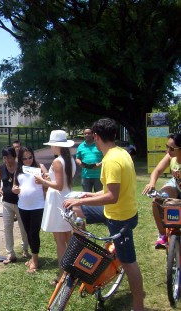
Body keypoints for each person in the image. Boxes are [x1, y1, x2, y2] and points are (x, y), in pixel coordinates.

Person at [63, 118, 144, 311]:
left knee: (129, 263)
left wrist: (80, 200)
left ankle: (139, 307)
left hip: (120, 217)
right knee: (76, 209)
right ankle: (85, 247)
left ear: (97, 136)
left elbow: (112, 196)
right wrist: (89, 195)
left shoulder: (111, 161)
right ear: (114, 135)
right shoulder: (121, 153)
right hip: (120, 212)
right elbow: (110, 190)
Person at [34, 130, 76, 285]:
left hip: (58, 202)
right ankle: (73, 270)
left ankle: (63, 274)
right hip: (66, 199)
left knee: (60, 241)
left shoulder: (58, 161)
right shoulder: (69, 159)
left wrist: (42, 180)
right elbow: (62, 182)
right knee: (68, 237)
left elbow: (58, 185)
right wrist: (48, 177)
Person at [0, 146, 30, 264]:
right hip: (7, 202)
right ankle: (10, 254)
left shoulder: (21, 167)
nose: (7, 160)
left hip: (21, 203)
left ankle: (25, 249)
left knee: (23, 228)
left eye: (9, 157)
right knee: (7, 228)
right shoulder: (2, 168)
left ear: (14, 156)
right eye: (4, 158)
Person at [142, 133, 181, 249]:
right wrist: (152, 183)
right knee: (157, 200)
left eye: (171, 148)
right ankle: (163, 234)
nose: (167, 150)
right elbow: (157, 170)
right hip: (176, 185)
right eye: (167, 146)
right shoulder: (171, 157)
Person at [12, 146, 47, 273]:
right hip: (23, 206)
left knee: (33, 233)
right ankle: (33, 257)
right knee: (28, 233)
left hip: (38, 206)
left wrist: (43, 181)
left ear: (33, 155)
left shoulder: (39, 167)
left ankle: (35, 262)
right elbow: (14, 186)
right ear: (20, 159)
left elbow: (49, 183)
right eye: (24, 158)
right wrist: (14, 190)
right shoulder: (19, 170)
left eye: (30, 157)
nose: (27, 160)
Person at [75, 128, 103, 192]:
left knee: (99, 198)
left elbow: (106, 157)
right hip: (86, 175)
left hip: (98, 175)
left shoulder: (98, 144)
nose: (87, 135)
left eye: (89, 133)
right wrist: (80, 163)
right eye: (85, 134)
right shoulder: (81, 146)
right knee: (86, 197)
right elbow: (77, 158)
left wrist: (100, 164)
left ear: (93, 134)